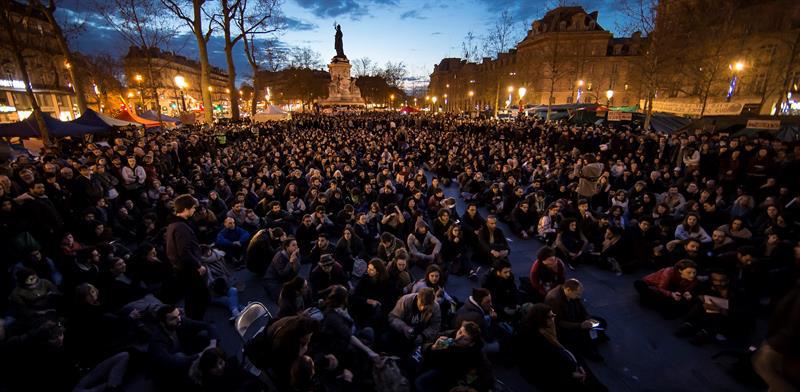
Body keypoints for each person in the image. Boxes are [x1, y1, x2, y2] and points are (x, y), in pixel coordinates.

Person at [513, 303, 607, 391]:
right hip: (558, 379)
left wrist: (578, 365)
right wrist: (571, 374)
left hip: (569, 367)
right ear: (541, 320)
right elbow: (543, 369)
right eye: (551, 316)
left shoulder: (548, 329)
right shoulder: (532, 341)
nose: (554, 317)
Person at [148, 305, 218, 388]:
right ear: (162, 323)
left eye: (178, 315)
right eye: (173, 318)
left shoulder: (180, 321)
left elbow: (208, 325)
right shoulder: (157, 340)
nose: (179, 319)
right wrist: (200, 355)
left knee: (204, 335)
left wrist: (212, 344)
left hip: (185, 353)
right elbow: (170, 362)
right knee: (179, 357)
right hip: (167, 371)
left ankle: (212, 366)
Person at [415, 321, 494, 392]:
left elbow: (487, 375)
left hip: (456, 379)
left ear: (471, 344)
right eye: (460, 332)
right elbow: (424, 346)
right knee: (419, 382)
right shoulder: (450, 335)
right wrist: (433, 347)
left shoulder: (476, 353)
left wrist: (470, 388)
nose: (458, 338)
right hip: (440, 369)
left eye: (465, 339)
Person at [165, 194, 209, 320]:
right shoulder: (180, 227)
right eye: (193, 208)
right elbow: (184, 252)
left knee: (193, 297)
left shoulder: (174, 224)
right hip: (188, 270)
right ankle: (196, 324)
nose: (194, 210)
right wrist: (198, 265)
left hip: (183, 269)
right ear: (185, 209)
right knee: (197, 298)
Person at [545, 279, 606, 361]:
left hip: (575, 318)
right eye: (577, 294)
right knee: (584, 334)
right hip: (565, 328)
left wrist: (588, 318)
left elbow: (581, 308)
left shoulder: (572, 294)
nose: (579, 296)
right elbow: (558, 322)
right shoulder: (554, 299)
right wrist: (580, 326)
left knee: (601, 322)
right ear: (568, 290)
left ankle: (595, 338)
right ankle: (589, 351)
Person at [634, 259, 699, 319]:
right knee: (639, 285)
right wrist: (671, 294)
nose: (692, 275)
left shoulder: (694, 279)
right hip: (651, 285)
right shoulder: (668, 271)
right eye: (689, 272)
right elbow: (660, 288)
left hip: (669, 289)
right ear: (680, 270)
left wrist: (686, 293)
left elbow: (685, 289)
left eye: (694, 273)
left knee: (673, 306)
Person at [386, 287, 441, 355]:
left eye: (426, 306)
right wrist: (404, 328)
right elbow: (392, 318)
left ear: (432, 303)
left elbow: (435, 326)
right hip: (401, 331)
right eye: (421, 304)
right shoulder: (405, 300)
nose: (422, 308)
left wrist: (423, 336)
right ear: (418, 297)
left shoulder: (435, 307)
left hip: (420, 335)